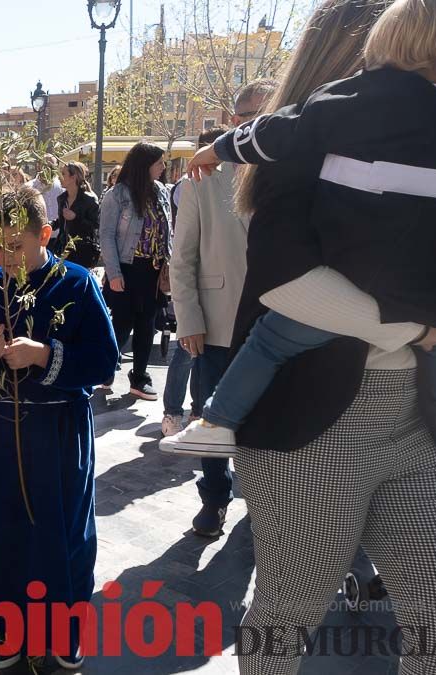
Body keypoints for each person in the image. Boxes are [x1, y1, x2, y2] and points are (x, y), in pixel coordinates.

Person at [175, 1, 436, 671]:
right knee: (288, 609)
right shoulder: (316, 139)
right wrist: (425, 327)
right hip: (310, 428)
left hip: (412, 425)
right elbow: (284, 283)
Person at [166, 0, 436, 456]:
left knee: (270, 341)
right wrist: (428, 332)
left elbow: (276, 133)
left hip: (375, 329)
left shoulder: (350, 105)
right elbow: (284, 277)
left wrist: (221, 148)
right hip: (338, 402)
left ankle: (216, 420)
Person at [0, 188, 119, 670]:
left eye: (15, 246)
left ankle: (64, 633)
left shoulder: (76, 283)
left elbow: (105, 361)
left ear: (44, 235)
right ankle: (3, 631)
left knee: (61, 533)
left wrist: (45, 355)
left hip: (59, 433)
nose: (4, 258)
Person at [154, 89, 274, 540]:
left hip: (279, 321)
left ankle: (264, 503)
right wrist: (189, 320)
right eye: (246, 116)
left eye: (264, 114)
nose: (254, 123)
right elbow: (182, 257)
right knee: (211, 419)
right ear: (233, 120)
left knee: (270, 420)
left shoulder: (294, 172)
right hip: (217, 324)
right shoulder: (207, 175)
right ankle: (215, 498)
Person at [159, 126, 230, 440]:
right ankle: (174, 412)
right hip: (209, 312)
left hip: (262, 317)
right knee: (186, 359)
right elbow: (183, 254)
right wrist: (188, 315)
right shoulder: (196, 183)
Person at [99, 142, 172, 400]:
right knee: (120, 325)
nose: (164, 167)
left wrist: (168, 264)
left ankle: (139, 378)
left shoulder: (161, 191)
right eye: (159, 162)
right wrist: (114, 273)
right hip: (127, 268)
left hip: (153, 270)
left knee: (147, 325)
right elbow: (106, 235)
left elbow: (167, 230)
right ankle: (104, 370)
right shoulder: (118, 194)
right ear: (145, 165)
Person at [51, 161, 100, 268]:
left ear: (73, 177)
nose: (59, 177)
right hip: (63, 249)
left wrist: (76, 218)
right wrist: (50, 225)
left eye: (63, 174)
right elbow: (62, 220)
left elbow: (96, 226)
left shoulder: (89, 199)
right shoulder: (62, 198)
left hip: (82, 252)